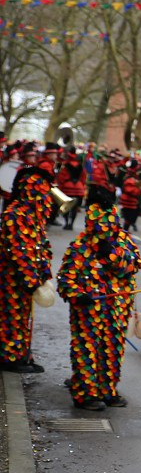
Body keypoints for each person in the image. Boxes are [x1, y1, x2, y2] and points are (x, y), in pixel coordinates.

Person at [56, 185, 141, 409]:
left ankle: (108, 390)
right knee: (86, 350)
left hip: (116, 311)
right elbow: (65, 281)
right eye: (98, 222)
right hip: (88, 313)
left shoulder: (124, 242)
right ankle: (86, 394)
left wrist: (112, 254)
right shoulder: (79, 247)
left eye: (108, 222)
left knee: (112, 351)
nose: (103, 228)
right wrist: (78, 296)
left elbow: (134, 265)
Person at [0, 148, 53, 373]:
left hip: (24, 280)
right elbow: (18, 251)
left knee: (23, 318)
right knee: (10, 318)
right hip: (12, 279)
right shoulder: (15, 214)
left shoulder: (32, 216)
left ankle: (21, 354)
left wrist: (43, 270)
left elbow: (40, 247)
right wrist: (30, 277)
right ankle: (9, 357)